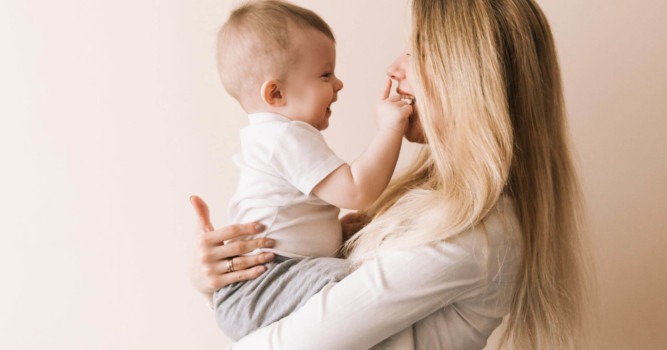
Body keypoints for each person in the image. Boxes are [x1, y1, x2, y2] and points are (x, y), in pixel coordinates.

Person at [189, 0, 590, 349]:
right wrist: (218, 277)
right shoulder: (433, 200)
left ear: (467, 74)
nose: (393, 68)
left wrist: (223, 293)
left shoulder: (476, 233)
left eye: (416, 51)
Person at [209, 0, 412, 341]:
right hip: (264, 282)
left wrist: (332, 230)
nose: (339, 84)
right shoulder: (285, 136)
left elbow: (301, 213)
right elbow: (357, 191)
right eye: (325, 74)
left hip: (265, 280)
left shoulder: (274, 136)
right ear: (275, 93)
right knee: (366, 281)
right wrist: (390, 130)